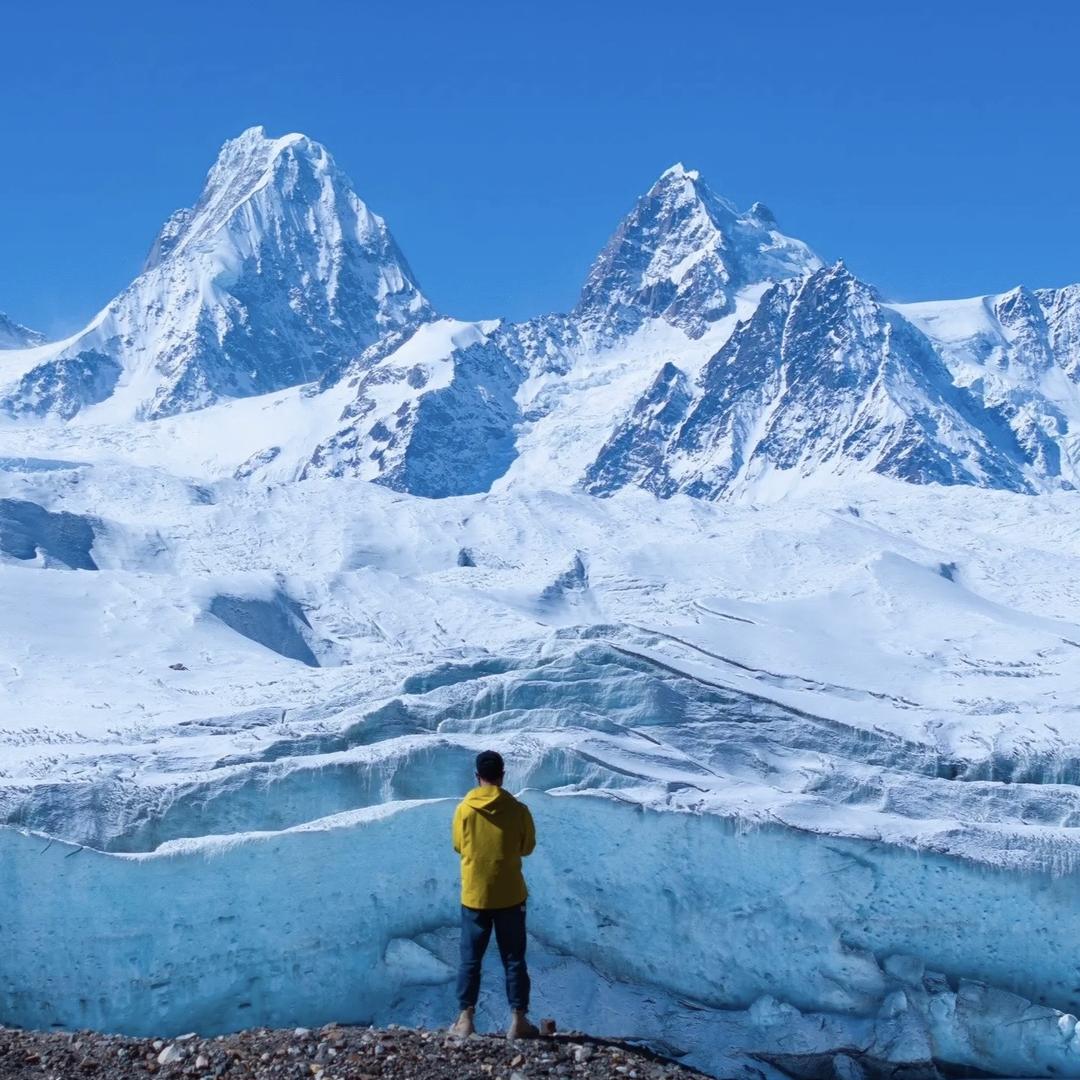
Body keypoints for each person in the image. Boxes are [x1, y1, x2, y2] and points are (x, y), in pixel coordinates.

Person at [449, 750, 538, 1039]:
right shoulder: (518, 810)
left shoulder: (464, 809)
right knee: (514, 959)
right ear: (502, 775)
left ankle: (465, 1020)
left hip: (475, 896)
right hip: (510, 895)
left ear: (477, 776)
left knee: (470, 959)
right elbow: (527, 847)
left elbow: (458, 845)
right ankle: (519, 1021)